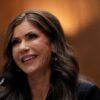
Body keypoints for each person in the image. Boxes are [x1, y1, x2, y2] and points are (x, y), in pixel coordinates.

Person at [0, 10, 100, 100]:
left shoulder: (84, 94)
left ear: (53, 44)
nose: (22, 47)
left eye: (31, 36)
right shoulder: (5, 96)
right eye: (15, 42)